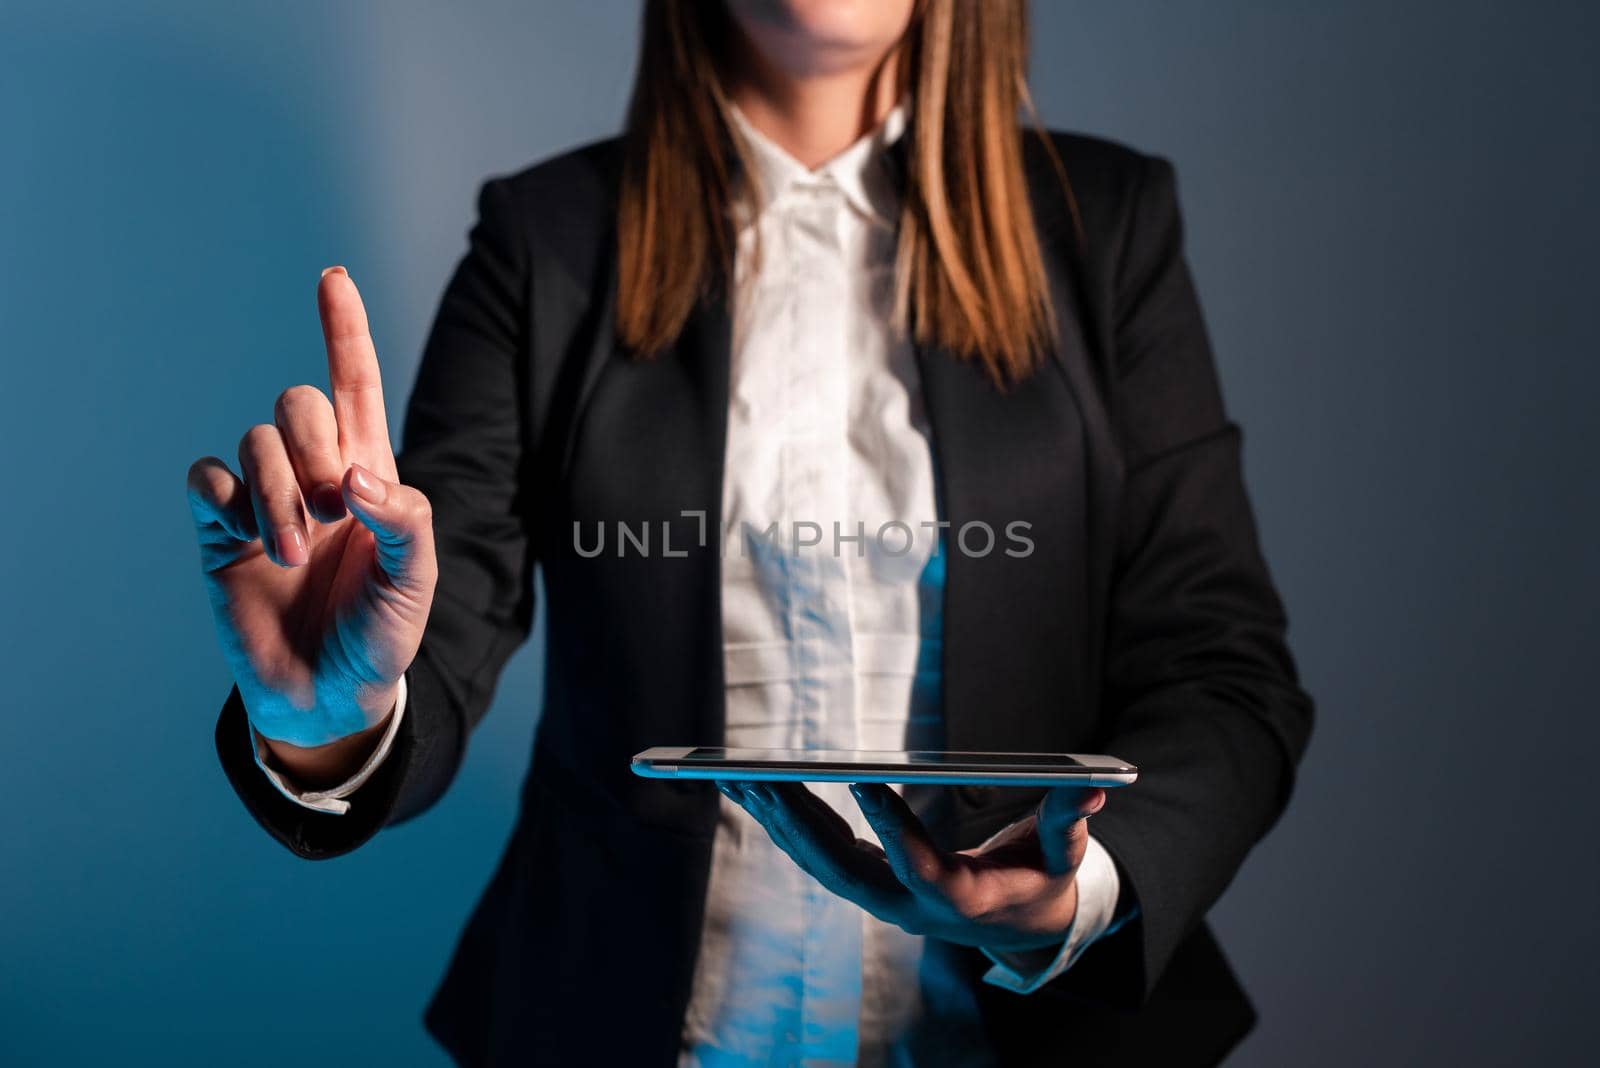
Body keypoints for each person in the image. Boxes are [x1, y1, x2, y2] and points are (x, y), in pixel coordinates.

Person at [185, 1, 1312, 1064]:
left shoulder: (1106, 226)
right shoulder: (545, 241)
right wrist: (331, 721)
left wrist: (1079, 891)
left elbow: (1222, 673)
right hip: (609, 1025)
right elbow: (437, 626)